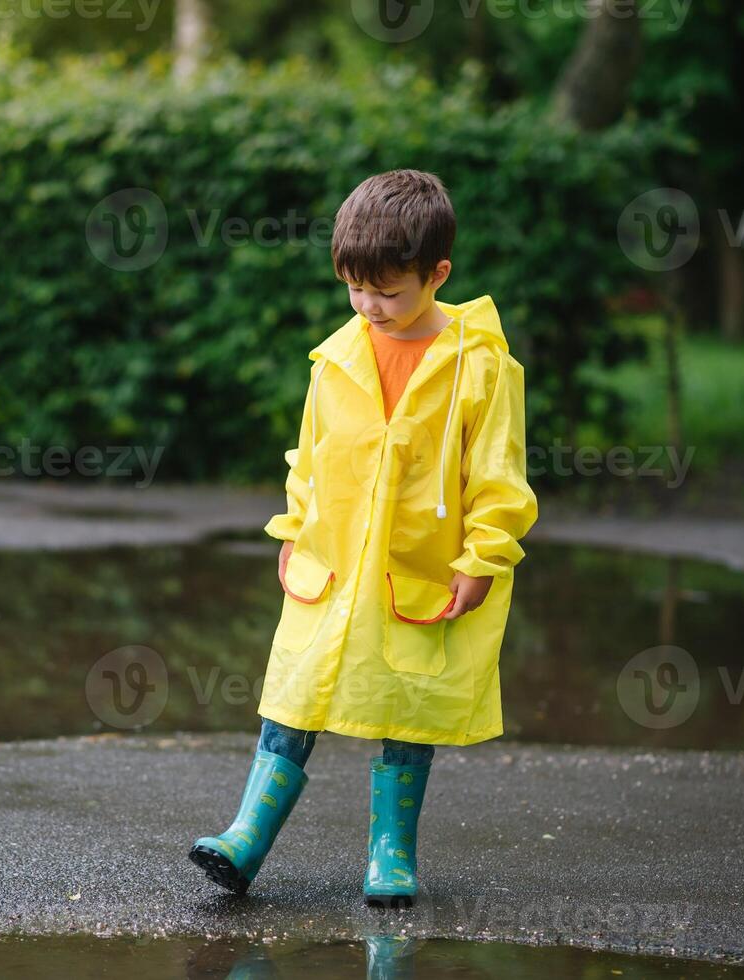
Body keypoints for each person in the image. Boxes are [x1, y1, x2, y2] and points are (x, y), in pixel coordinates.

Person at [189, 169, 538, 907]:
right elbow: (309, 456)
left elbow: (499, 476)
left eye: (388, 291)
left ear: (437, 274)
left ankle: (391, 855)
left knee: (407, 710)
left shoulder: (482, 366)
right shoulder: (336, 357)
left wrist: (483, 558)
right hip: (332, 568)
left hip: (418, 575)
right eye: (355, 288)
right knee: (292, 698)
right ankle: (244, 839)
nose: (369, 307)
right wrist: (292, 528)